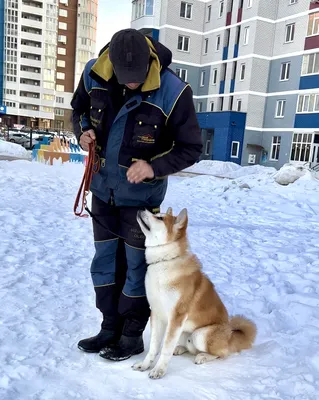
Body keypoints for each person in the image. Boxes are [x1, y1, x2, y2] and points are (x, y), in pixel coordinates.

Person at [71, 28, 202, 361]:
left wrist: (152, 167)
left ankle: (131, 336)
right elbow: (78, 111)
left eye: (138, 78)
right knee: (104, 262)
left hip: (141, 200)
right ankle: (109, 327)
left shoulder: (174, 92)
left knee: (135, 269)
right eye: (124, 78)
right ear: (111, 64)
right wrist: (82, 132)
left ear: (150, 61)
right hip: (102, 191)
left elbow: (190, 148)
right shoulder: (93, 73)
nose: (131, 84)